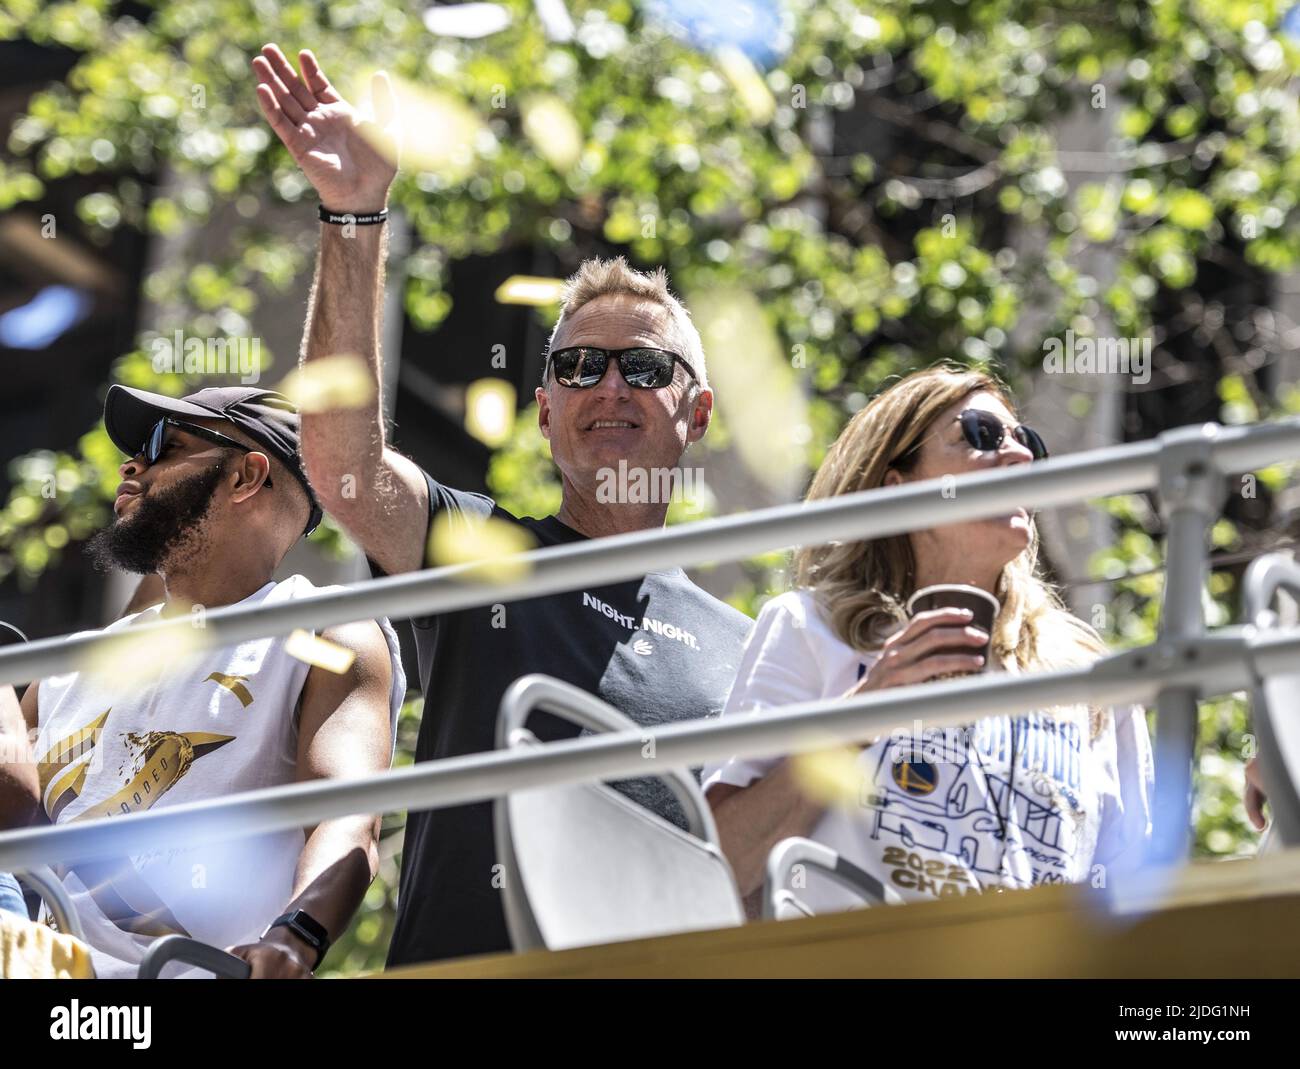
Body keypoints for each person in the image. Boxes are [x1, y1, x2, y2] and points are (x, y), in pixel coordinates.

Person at [252, 43, 753, 965]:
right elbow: (345, 466)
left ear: (699, 412)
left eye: (644, 367)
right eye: (577, 366)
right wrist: (354, 213)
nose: (609, 385)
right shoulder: (483, 548)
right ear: (546, 410)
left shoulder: (751, 648)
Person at [704, 366, 1155, 912]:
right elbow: (722, 867)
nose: (1019, 457)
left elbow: (1135, 900)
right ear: (900, 488)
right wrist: (859, 718)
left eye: (1027, 442)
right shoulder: (811, 628)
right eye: (980, 435)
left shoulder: (1092, 682)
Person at [1, 385, 407, 977]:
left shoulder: (322, 634)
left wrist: (296, 937)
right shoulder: (73, 664)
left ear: (246, 477)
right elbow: (13, 818)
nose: (132, 464)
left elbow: (346, 819)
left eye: (165, 446)